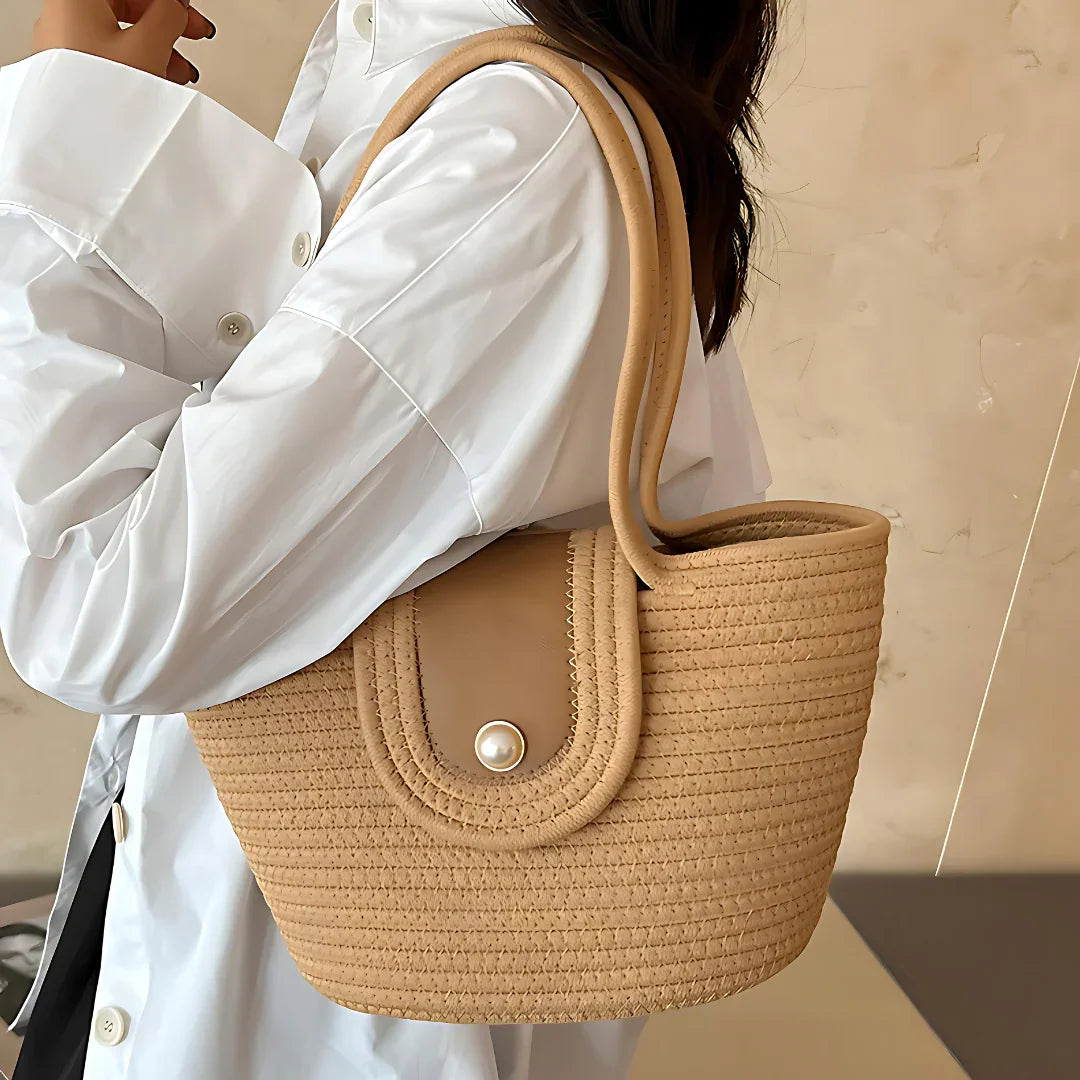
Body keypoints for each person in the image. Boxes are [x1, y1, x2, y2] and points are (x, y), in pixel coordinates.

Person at [0, 0, 776, 1076]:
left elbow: (97, 610)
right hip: (225, 920)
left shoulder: (516, 147)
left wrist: (64, 144)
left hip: (329, 1005)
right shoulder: (413, 63)